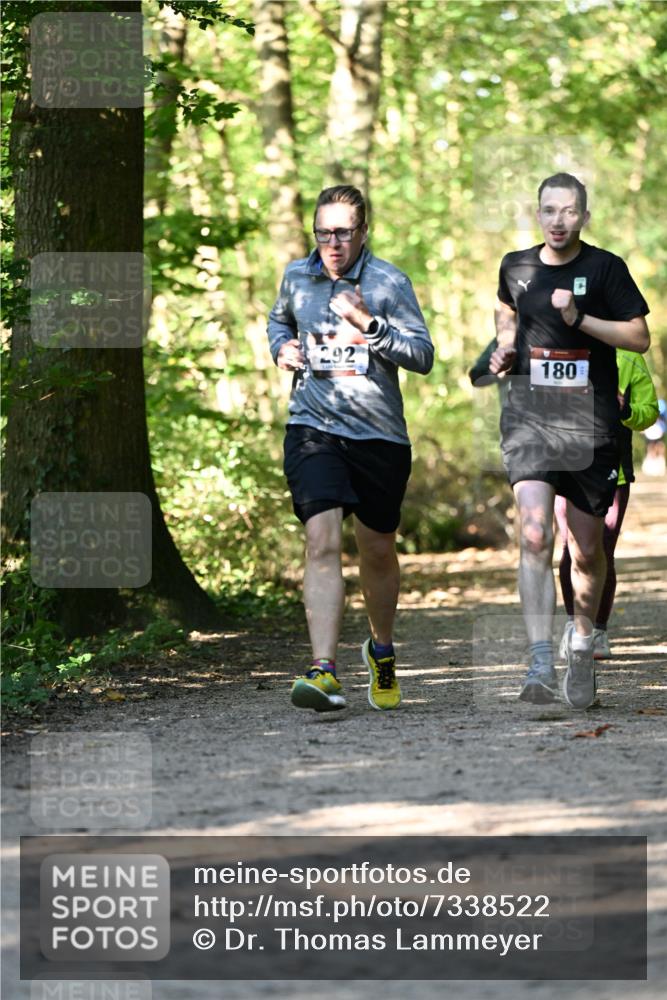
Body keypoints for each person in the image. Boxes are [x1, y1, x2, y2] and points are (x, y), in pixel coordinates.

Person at [267, 185, 433, 712]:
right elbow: (278, 321)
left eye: (342, 232)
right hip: (312, 427)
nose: (331, 243)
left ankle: (381, 651)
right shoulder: (298, 276)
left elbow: (422, 355)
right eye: (323, 232)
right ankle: (323, 669)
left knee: (377, 549)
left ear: (364, 232)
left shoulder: (388, 281)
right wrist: (282, 348)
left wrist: (370, 325)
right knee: (320, 540)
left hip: (379, 434)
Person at [489, 172, 650, 709]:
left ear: (584, 216)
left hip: (591, 425)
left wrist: (579, 318)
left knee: (585, 550)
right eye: (549, 211)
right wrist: (505, 349)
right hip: (530, 420)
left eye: (569, 211)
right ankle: (538, 661)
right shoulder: (517, 266)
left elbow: (638, 336)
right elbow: (506, 310)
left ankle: (581, 644)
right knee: (534, 535)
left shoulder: (606, 268)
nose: (558, 220)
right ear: (538, 214)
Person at [555, 350, 658, 660]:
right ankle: (575, 626)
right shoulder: (564, 348)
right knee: (569, 549)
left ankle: (597, 631)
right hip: (566, 466)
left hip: (615, 472)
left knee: (601, 549)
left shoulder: (628, 358)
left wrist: (624, 410)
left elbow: (649, 413)